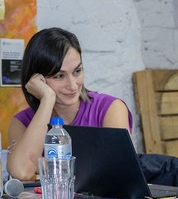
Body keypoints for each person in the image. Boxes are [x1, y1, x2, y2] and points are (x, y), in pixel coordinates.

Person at [7, 27, 132, 181]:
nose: (72, 85)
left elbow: (120, 173)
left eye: (77, 71)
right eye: (59, 76)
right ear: (37, 79)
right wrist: (47, 99)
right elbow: (21, 172)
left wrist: (42, 170)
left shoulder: (111, 109)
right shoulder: (22, 122)